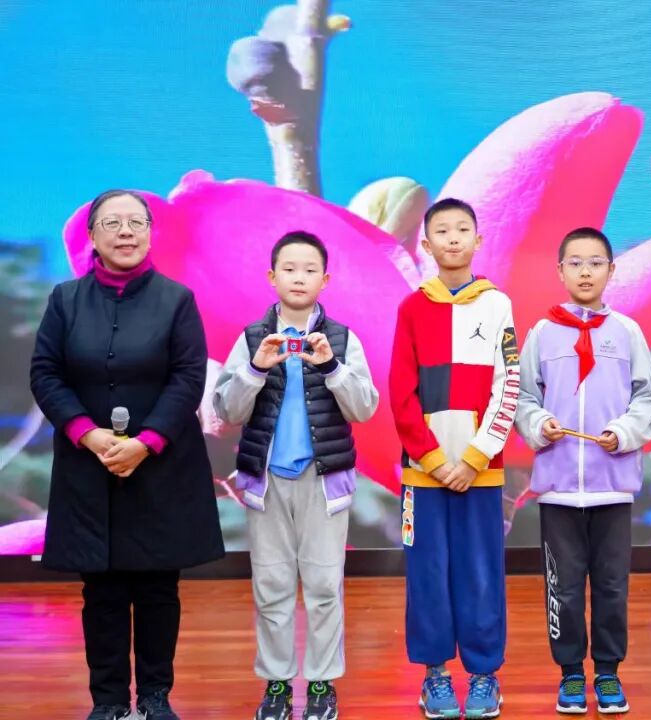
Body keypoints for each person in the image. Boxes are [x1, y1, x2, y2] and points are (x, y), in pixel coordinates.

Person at [30, 189, 224, 720]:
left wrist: (146, 441)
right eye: (112, 223)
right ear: (92, 237)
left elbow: (188, 378)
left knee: (159, 588)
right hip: (88, 465)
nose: (125, 232)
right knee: (103, 591)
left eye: (136, 222)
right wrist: (87, 434)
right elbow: (45, 374)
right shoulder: (65, 300)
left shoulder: (176, 299)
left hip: (160, 463)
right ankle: (110, 701)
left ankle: (156, 696)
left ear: (150, 234)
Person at [213, 230, 379, 720]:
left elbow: (365, 408)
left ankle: (323, 683)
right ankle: (278, 684)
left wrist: (332, 367)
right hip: (266, 484)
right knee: (272, 588)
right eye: (289, 269)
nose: (299, 278)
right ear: (272, 277)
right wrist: (255, 369)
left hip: (323, 483)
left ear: (325, 280)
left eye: (310, 270)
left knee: (325, 588)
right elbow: (227, 411)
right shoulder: (251, 338)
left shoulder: (343, 339)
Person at [515, 226, 651, 714]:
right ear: (560, 271)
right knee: (564, 587)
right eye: (575, 263)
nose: (585, 271)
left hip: (612, 488)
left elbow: (647, 398)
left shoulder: (627, 332)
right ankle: (572, 673)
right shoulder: (541, 333)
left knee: (613, 586)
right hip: (558, 489)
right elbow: (524, 397)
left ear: (611, 270)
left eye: (596, 262)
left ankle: (609, 672)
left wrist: (623, 431)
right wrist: (539, 424)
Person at [390, 198, 519, 719]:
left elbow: (508, 385)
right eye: (441, 231)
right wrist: (432, 459)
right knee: (428, 576)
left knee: (482, 574)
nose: (453, 238)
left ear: (478, 240)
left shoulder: (498, 305)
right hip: (424, 476)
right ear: (426, 244)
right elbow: (401, 392)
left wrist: (474, 457)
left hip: (480, 474)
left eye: (462, 229)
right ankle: (436, 676)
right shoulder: (411, 308)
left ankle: (485, 675)